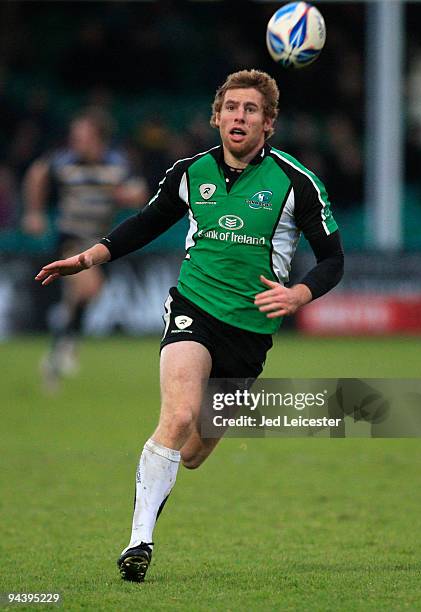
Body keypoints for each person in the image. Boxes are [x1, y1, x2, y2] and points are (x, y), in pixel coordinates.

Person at [35, 70, 344, 581]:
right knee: (177, 418)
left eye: (250, 110)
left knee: (196, 452)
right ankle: (138, 542)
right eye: (231, 108)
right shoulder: (189, 172)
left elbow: (333, 259)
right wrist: (87, 258)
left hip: (249, 335)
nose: (238, 117)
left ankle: (157, 496)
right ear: (217, 116)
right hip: (193, 309)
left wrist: (300, 292)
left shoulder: (296, 182)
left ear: (269, 123)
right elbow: (144, 225)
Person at [23, 106, 148, 389]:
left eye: (82, 137)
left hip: (100, 243)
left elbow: (140, 193)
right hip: (71, 238)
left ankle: (56, 358)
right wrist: (34, 212)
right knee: (89, 288)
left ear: (99, 139)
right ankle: (65, 347)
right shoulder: (64, 161)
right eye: (74, 137)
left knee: (79, 299)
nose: (76, 142)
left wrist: (126, 195)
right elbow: (36, 174)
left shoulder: (117, 163)